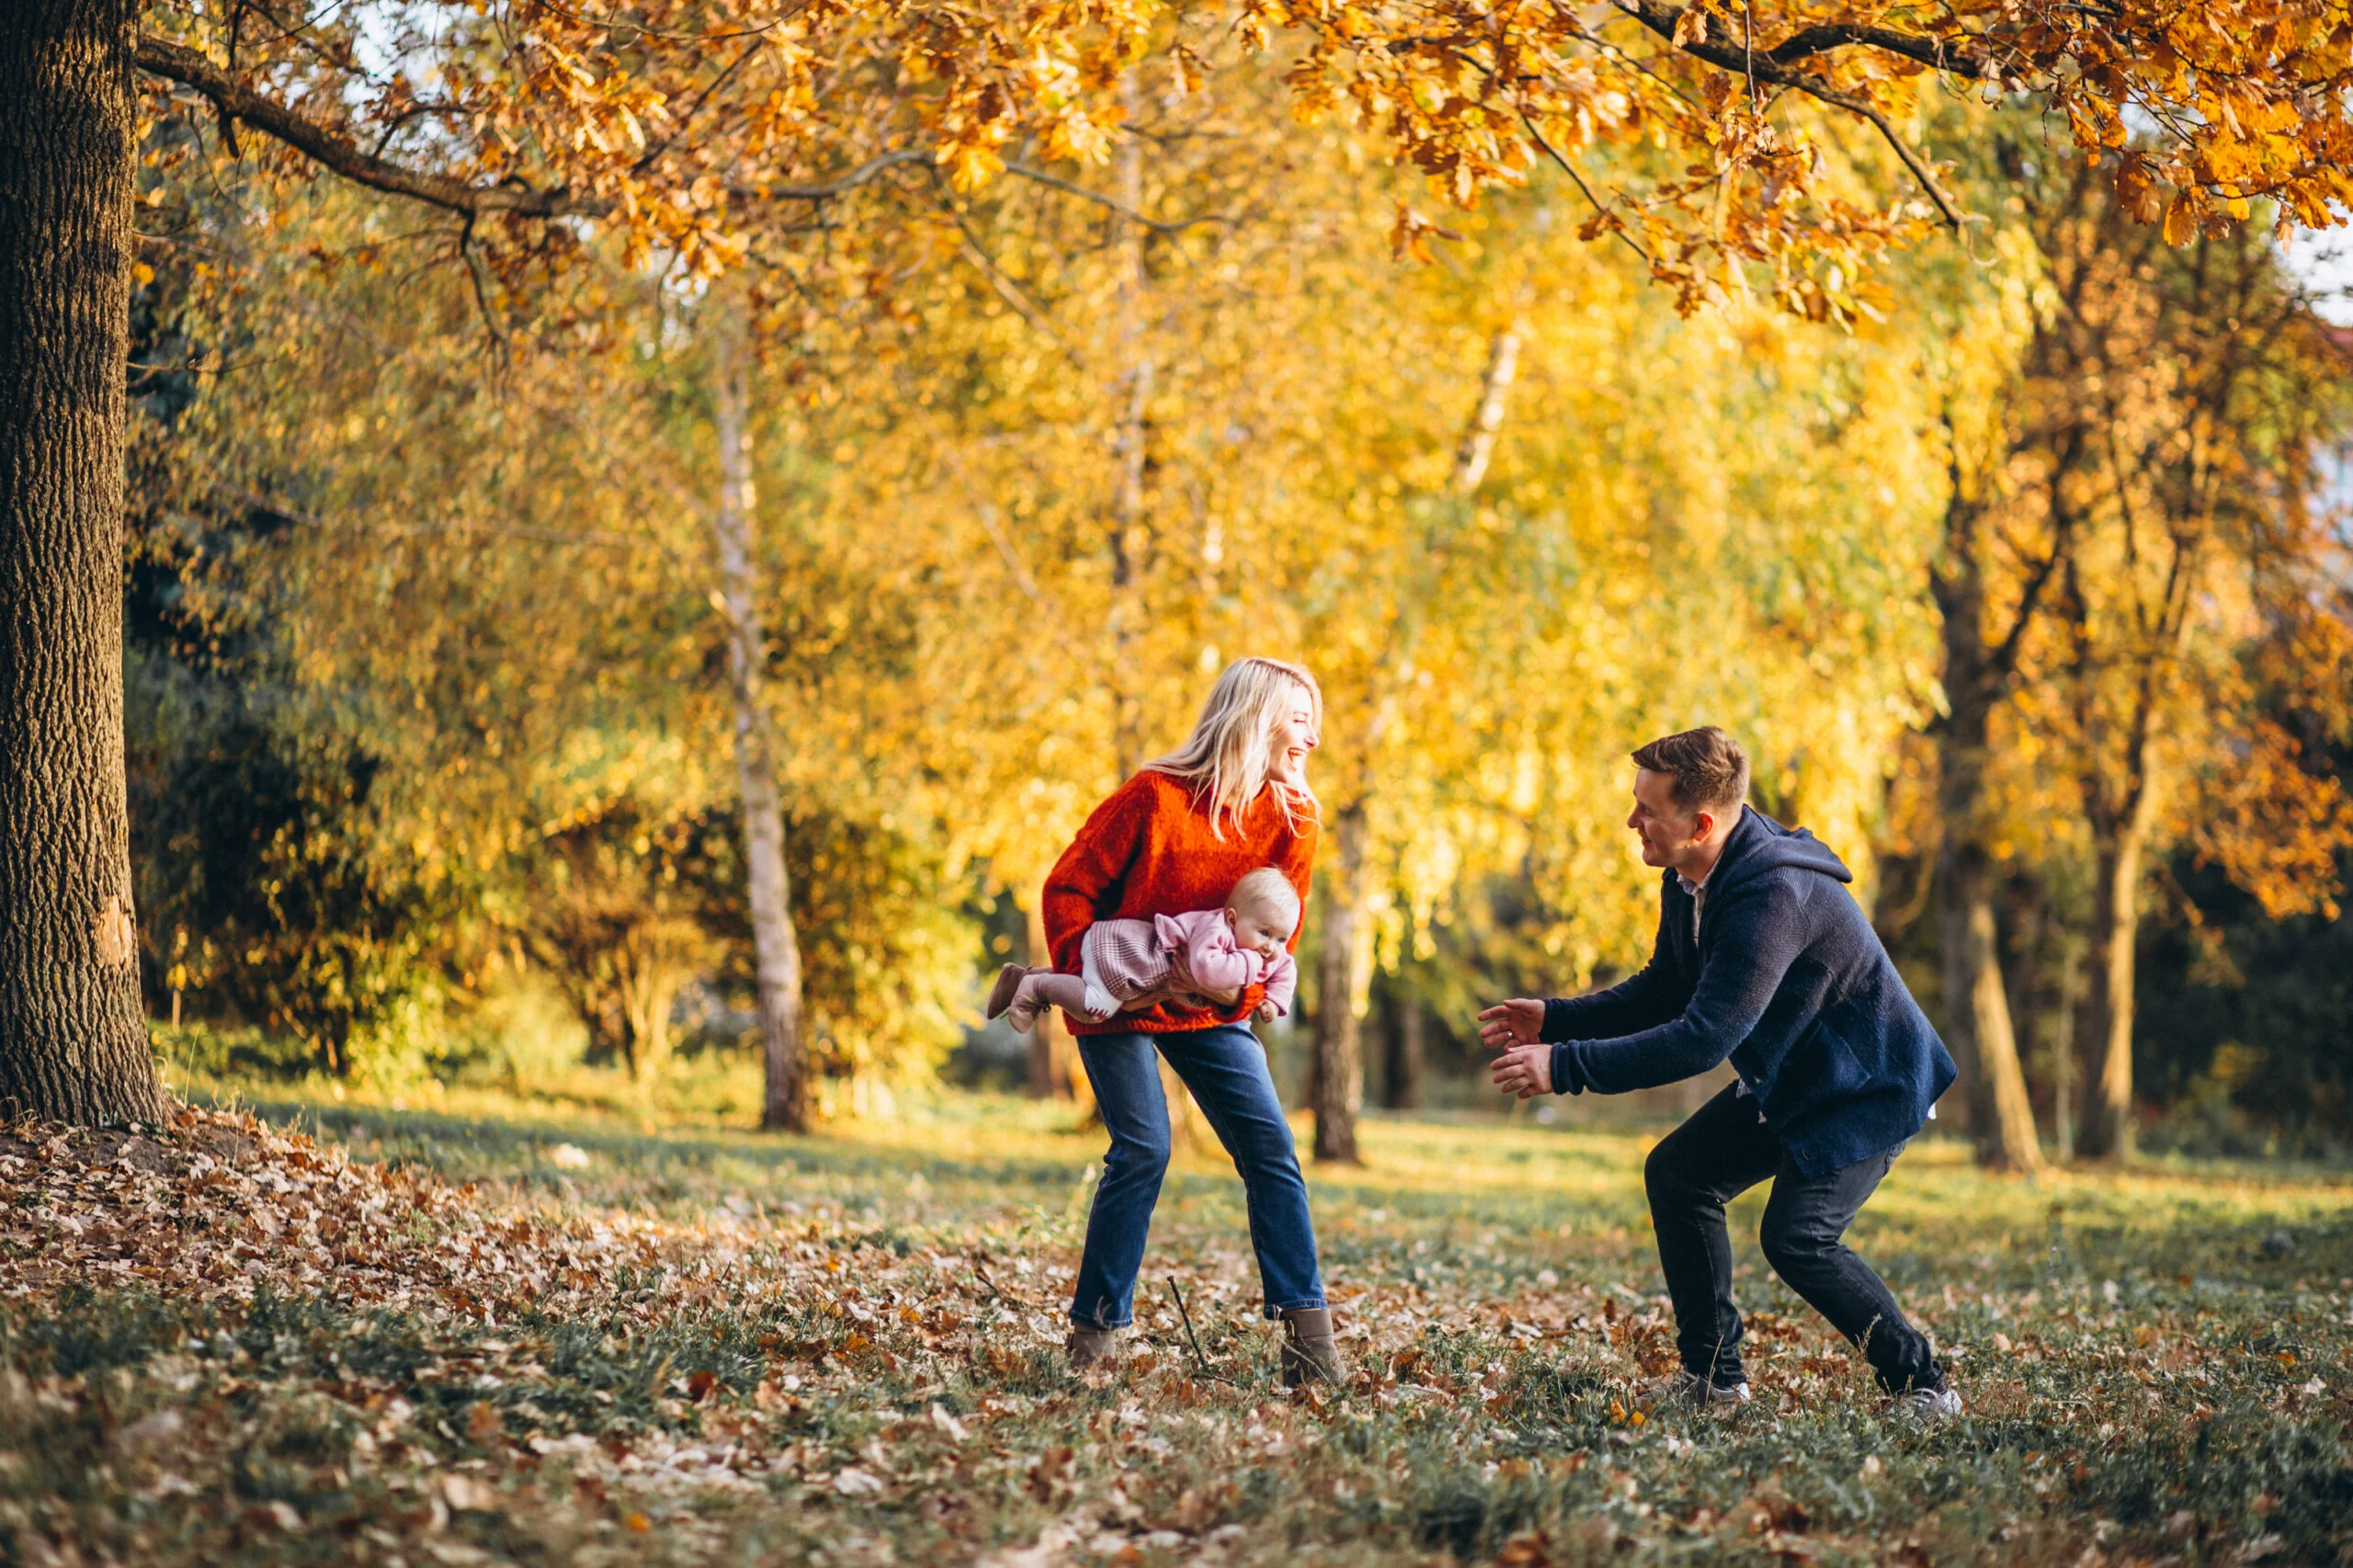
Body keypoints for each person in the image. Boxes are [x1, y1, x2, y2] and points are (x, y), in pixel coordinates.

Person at [1480, 726, 1962, 1418]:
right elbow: (1666, 989)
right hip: (1793, 1072)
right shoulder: (1691, 875)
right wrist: (1556, 1020)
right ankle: (1715, 1380)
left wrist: (1565, 1068)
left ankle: (1925, 1388)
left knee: (1798, 1237)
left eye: (1648, 809)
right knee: (1679, 1175)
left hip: (1868, 1083)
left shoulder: (1771, 897)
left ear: (1702, 822)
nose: (1632, 820)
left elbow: (1701, 1040)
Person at [1039, 657, 1338, 1383]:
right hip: (1119, 992)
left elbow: (1279, 941)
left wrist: (1226, 999)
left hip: (1210, 1007)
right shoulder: (1153, 798)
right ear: (1253, 714)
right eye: (1300, 718)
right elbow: (1068, 887)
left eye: (1314, 722)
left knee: (1271, 1146)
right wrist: (1096, 975)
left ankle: (1311, 1344)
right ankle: (1093, 1340)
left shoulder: (1293, 821)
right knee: (1143, 1149)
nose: (1313, 738)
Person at [987, 867, 1301, 1033]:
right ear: (1233, 918)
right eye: (1264, 933)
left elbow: (1286, 969)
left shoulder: (1268, 951)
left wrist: (1274, 1000)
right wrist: (1247, 963)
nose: (1271, 948)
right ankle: (1037, 987)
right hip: (1127, 954)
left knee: (1094, 991)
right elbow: (1205, 970)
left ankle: (1019, 977)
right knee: (1096, 1008)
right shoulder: (1217, 929)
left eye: (1280, 939)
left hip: (1137, 971)